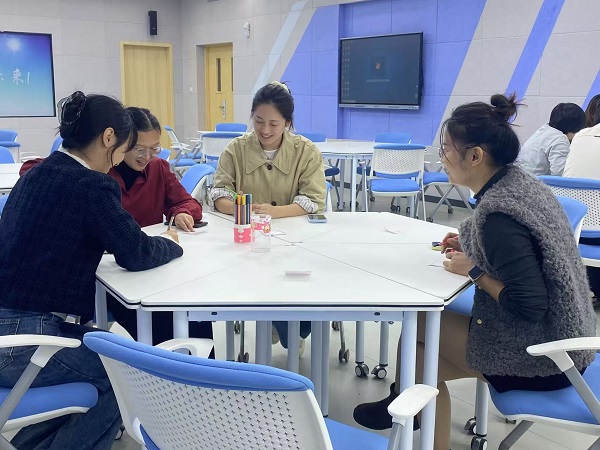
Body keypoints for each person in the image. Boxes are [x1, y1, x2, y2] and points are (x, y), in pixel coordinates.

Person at [353, 94, 596, 450]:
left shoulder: (499, 215)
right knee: (419, 345)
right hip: (569, 339)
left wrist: (476, 270)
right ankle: (405, 402)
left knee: (420, 340)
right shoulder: (518, 183)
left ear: (475, 156)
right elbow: (521, 253)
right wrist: (473, 246)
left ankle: (406, 404)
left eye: (446, 150)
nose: (442, 158)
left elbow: (529, 306)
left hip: (546, 358)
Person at [0, 91, 184, 450]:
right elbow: (136, 252)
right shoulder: (92, 185)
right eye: (124, 149)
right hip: (25, 341)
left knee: (111, 356)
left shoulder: (36, 174)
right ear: (109, 138)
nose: (118, 163)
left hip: (13, 330)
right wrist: (171, 242)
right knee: (129, 376)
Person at [210, 81, 326, 350]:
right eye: (259, 121)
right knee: (260, 277)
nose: (265, 130)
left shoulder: (306, 152)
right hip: (248, 242)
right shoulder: (236, 150)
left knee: (296, 282)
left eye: (274, 124)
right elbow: (218, 194)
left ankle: (286, 326)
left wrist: (274, 213)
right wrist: (242, 209)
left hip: (295, 241)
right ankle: (279, 324)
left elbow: (314, 200)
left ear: (288, 122)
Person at [106, 107, 213, 347]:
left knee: (195, 312)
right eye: (139, 149)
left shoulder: (158, 168)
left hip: (157, 265)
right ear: (122, 143)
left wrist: (181, 212)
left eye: (154, 149)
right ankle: (165, 370)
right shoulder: (103, 173)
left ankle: (203, 370)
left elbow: (189, 202)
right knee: (161, 323)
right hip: (118, 274)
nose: (146, 156)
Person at [517, 102, 585, 176]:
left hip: (522, 178)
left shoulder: (543, 130)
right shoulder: (559, 139)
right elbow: (560, 173)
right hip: (534, 181)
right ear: (574, 126)